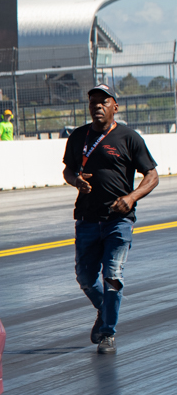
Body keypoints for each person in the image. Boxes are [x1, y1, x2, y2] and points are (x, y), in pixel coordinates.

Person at [62, 84, 158, 354]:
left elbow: (152, 176)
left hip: (119, 220)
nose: (97, 106)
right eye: (93, 101)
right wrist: (76, 181)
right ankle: (105, 310)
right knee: (85, 278)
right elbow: (68, 170)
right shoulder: (78, 136)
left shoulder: (129, 137)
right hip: (87, 218)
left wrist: (132, 197)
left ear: (115, 106)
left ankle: (108, 333)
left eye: (103, 102)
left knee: (113, 276)